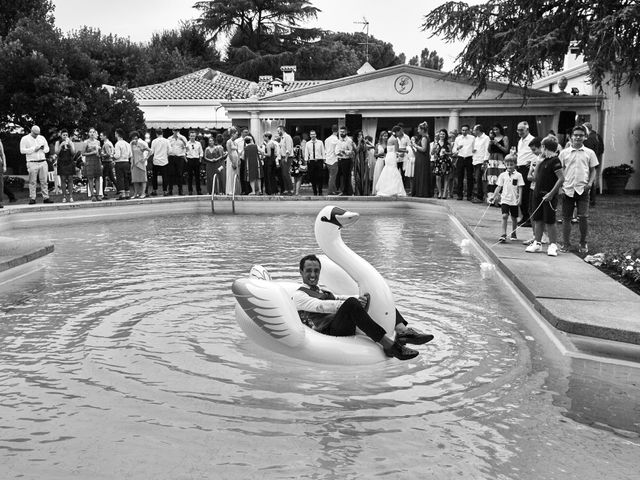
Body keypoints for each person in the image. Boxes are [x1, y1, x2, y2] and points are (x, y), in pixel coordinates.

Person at [293, 254, 434, 361]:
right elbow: (320, 306)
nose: (313, 275)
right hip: (327, 330)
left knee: (375, 298)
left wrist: (361, 297)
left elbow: (337, 298)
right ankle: (390, 347)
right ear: (301, 272)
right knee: (352, 303)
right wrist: (353, 302)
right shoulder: (299, 295)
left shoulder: (321, 291)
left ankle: (403, 331)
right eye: (309, 271)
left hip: (338, 322)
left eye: (316, 271)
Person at [559, 125, 599, 254]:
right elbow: (559, 171)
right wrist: (560, 187)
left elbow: (593, 170)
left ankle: (583, 242)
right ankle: (566, 244)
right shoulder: (564, 153)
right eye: (575, 135)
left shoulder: (589, 153)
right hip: (568, 189)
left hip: (583, 189)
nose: (578, 137)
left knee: (583, 217)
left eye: (581, 135)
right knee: (566, 218)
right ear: (571, 136)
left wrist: (590, 183)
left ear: (585, 137)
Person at [525, 136, 564, 256]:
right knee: (538, 219)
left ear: (544, 147)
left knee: (550, 220)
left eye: (541, 147)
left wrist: (551, 194)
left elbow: (561, 178)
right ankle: (537, 242)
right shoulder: (543, 161)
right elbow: (535, 177)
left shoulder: (555, 160)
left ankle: (552, 244)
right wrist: (538, 163)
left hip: (548, 195)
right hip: (538, 194)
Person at [492, 154, 524, 243]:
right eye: (508, 164)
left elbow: (521, 187)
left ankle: (513, 233)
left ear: (515, 165)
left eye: (511, 164)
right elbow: (499, 186)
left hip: (514, 200)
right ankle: (503, 234)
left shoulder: (518, 175)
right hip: (505, 199)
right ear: (505, 164)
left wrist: (519, 198)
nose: (509, 166)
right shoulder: (502, 175)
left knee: (514, 218)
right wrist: (494, 195)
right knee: (504, 216)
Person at [20, 125, 53, 204]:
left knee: (44, 180)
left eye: (37, 134)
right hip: (32, 162)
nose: (36, 135)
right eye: (35, 134)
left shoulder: (42, 138)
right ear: (31, 131)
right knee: (32, 181)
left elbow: (47, 149)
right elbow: (22, 150)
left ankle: (46, 197)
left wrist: (43, 149)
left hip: (42, 161)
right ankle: (32, 198)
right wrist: (33, 149)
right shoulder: (25, 139)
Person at [375, 126, 406, 197]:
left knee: (388, 171)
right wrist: (405, 150)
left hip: (389, 156)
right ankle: (392, 189)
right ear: (397, 132)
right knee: (393, 171)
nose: (401, 133)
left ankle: (387, 188)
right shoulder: (395, 139)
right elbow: (397, 149)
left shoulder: (390, 139)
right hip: (392, 157)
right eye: (400, 131)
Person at [516, 121, 537, 227]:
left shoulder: (532, 139)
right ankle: (524, 216)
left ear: (527, 129)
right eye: (518, 130)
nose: (519, 132)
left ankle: (528, 217)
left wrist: (533, 162)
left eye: (521, 130)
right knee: (520, 193)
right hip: (520, 167)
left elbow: (537, 152)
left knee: (525, 194)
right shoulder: (520, 140)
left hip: (526, 168)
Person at [582, 122, 604, 207]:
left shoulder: (588, 138)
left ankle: (589, 199)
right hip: (596, 161)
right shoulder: (598, 136)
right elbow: (602, 150)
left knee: (588, 180)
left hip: (587, 161)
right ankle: (592, 200)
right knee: (593, 180)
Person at [486, 124, 509, 202]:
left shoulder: (504, 137)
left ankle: (500, 200)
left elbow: (506, 150)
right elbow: (489, 151)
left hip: (500, 158)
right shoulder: (492, 138)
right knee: (491, 178)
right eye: (494, 130)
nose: (495, 131)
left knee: (500, 177)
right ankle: (491, 199)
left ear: (500, 129)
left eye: (497, 129)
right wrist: (490, 145)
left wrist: (497, 144)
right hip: (492, 159)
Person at [453, 125, 474, 201]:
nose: (464, 132)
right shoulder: (458, 139)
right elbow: (454, 150)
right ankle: (459, 195)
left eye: (465, 130)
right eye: (462, 130)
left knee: (469, 177)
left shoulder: (472, 138)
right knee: (460, 177)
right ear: (461, 131)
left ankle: (469, 195)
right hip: (461, 158)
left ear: (468, 131)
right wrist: (457, 148)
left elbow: (474, 148)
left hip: (469, 158)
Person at [55, 129, 76, 203]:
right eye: (64, 135)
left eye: (66, 135)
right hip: (61, 162)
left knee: (70, 179)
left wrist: (70, 145)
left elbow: (73, 153)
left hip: (69, 162)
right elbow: (56, 152)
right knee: (63, 179)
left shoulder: (71, 142)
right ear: (61, 135)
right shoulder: (58, 142)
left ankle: (70, 196)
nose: (65, 136)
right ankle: (64, 196)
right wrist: (61, 145)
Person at [411, 122, 432, 198]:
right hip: (421, 158)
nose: (418, 130)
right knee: (421, 174)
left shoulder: (424, 138)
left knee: (422, 174)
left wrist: (415, 145)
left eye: (419, 129)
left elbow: (423, 149)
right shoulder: (425, 137)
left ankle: (422, 192)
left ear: (423, 130)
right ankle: (421, 191)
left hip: (422, 159)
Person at [471, 124, 490, 203]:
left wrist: (485, 161)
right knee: (476, 179)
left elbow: (487, 150)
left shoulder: (486, 138)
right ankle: (476, 194)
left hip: (481, 160)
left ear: (478, 130)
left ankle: (480, 196)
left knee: (479, 178)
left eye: (474, 130)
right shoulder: (476, 139)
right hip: (475, 160)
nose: (473, 131)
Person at [431, 129, 452, 199]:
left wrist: (446, 153)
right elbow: (432, 153)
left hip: (446, 161)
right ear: (438, 135)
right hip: (438, 161)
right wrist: (434, 149)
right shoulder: (436, 143)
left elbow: (451, 153)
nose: (442, 135)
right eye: (440, 134)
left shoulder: (448, 144)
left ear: (445, 135)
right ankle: (439, 192)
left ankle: (444, 192)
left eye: (443, 134)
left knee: (446, 177)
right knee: (438, 177)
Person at [304, 130, 325, 196]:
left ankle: (320, 191)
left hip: (319, 160)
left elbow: (323, 152)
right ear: (310, 135)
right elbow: (306, 153)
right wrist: (306, 161)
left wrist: (324, 162)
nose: (313, 135)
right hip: (311, 161)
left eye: (314, 134)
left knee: (320, 177)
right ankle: (315, 192)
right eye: (311, 134)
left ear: (316, 135)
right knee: (312, 177)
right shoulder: (307, 143)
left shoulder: (320, 142)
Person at [83, 128, 102, 201]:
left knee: (98, 178)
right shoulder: (86, 142)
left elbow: (99, 153)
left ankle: (98, 194)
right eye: (90, 132)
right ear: (88, 133)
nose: (92, 133)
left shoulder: (98, 142)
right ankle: (92, 195)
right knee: (90, 178)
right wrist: (92, 153)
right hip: (89, 161)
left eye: (93, 132)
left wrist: (99, 152)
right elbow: (83, 153)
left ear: (95, 133)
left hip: (97, 160)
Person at [113, 128, 132, 200]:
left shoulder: (118, 144)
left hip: (120, 162)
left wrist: (112, 156)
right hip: (126, 162)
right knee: (126, 178)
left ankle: (122, 194)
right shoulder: (127, 143)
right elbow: (130, 155)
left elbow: (117, 155)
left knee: (120, 178)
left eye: (115, 134)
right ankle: (127, 193)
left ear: (117, 134)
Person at [130, 131, 150, 199]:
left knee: (143, 179)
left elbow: (150, 151)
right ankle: (136, 193)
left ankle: (143, 193)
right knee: (135, 179)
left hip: (141, 163)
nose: (134, 139)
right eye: (133, 138)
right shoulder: (131, 144)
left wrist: (145, 158)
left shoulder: (141, 144)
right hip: (134, 163)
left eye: (136, 138)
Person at [167, 128, 187, 196]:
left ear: (179, 131)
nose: (176, 132)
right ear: (173, 131)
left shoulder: (183, 138)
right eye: (175, 130)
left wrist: (182, 140)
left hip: (180, 157)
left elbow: (187, 147)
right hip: (171, 157)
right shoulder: (169, 139)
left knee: (180, 174)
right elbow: (167, 147)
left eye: (177, 130)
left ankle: (180, 190)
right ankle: (170, 190)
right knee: (170, 174)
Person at [149, 128, 169, 196]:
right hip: (164, 161)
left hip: (156, 161)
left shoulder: (154, 141)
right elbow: (170, 151)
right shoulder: (167, 141)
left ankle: (154, 190)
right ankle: (165, 191)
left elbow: (152, 151)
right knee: (165, 177)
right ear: (162, 133)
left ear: (156, 134)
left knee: (154, 177)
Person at [335, 126, 354, 196]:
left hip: (346, 160)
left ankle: (346, 191)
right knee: (338, 176)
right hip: (340, 160)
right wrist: (339, 152)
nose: (341, 133)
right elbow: (336, 150)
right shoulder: (338, 141)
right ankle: (338, 189)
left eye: (343, 132)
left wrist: (344, 152)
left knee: (346, 176)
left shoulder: (349, 140)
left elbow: (351, 151)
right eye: (340, 132)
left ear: (346, 132)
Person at [277, 125, 294, 195]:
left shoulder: (287, 137)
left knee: (286, 174)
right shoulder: (282, 138)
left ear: (282, 130)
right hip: (282, 157)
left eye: (278, 131)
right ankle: (286, 189)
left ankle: (290, 189)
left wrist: (286, 157)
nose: (278, 132)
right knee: (283, 174)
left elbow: (288, 148)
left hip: (287, 157)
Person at [185, 130, 204, 195]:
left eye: (193, 136)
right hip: (189, 160)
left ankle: (199, 190)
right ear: (189, 136)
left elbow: (201, 152)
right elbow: (184, 152)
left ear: (195, 136)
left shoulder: (198, 143)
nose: (192, 137)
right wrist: (186, 160)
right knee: (189, 177)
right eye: (191, 136)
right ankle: (190, 190)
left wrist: (200, 160)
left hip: (196, 160)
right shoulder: (187, 144)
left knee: (197, 176)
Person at [99, 131, 116, 199]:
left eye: (101, 135)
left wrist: (101, 154)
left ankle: (102, 192)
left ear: (105, 136)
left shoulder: (106, 144)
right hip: (109, 162)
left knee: (103, 177)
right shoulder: (109, 143)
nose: (100, 137)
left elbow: (108, 154)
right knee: (111, 177)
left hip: (107, 162)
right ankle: (119, 189)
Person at [324, 125, 340, 195]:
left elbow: (325, 150)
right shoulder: (336, 140)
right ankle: (330, 191)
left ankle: (334, 190)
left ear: (332, 130)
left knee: (331, 175)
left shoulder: (327, 139)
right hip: (334, 159)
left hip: (328, 159)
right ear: (338, 131)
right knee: (333, 176)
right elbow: (337, 151)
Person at [353, 131, 370, 196]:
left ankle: (365, 191)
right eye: (359, 135)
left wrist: (367, 157)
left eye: (361, 135)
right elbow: (356, 150)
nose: (361, 136)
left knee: (364, 175)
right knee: (358, 176)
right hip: (357, 160)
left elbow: (366, 150)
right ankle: (358, 192)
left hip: (363, 160)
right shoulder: (354, 142)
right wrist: (359, 142)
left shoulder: (364, 142)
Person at [371, 131, 387, 195]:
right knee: (379, 176)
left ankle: (385, 190)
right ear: (381, 136)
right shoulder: (378, 145)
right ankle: (378, 190)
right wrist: (380, 154)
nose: (385, 137)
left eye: (386, 136)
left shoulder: (388, 144)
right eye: (384, 136)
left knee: (386, 176)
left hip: (387, 161)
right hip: (380, 161)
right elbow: (375, 155)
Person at [226, 128, 241, 195]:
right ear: (232, 134)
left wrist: (239, 159)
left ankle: (235, 189)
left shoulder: (235, 142)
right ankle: (230, 190)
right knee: (231, 174)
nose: (237, 136)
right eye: (236, 134)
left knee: (236, 174)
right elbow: (229, 153)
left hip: (236, 159)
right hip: (231, 159)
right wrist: (233, 162)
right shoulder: (229, 142)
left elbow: (237, 151)